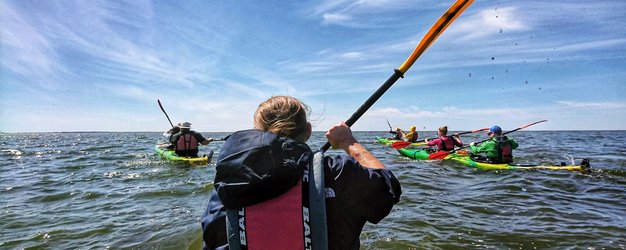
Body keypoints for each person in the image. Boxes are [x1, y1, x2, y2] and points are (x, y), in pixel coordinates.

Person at [200, 96, 402, 250]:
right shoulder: (338, 172)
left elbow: (212, 238)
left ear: (257, 132)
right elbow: (388, 188)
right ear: (308, 131)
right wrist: (347, 142)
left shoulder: (227, 185)